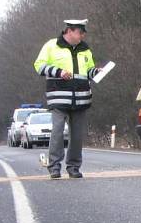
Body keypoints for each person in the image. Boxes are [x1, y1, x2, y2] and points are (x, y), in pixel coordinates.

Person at [33, 19, 101, 179]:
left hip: (82, 99)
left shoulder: (85, 49)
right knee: (57, 132)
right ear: (69, 31)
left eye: (83, 33)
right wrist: (58, 72)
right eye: (80, 32)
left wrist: (96, 72)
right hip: (58, 98)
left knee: (77, 136)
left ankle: (74, 167)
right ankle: (54, 166)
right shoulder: (51, 45)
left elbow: (88, 70)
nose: (83, 35)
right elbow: (39, 65)